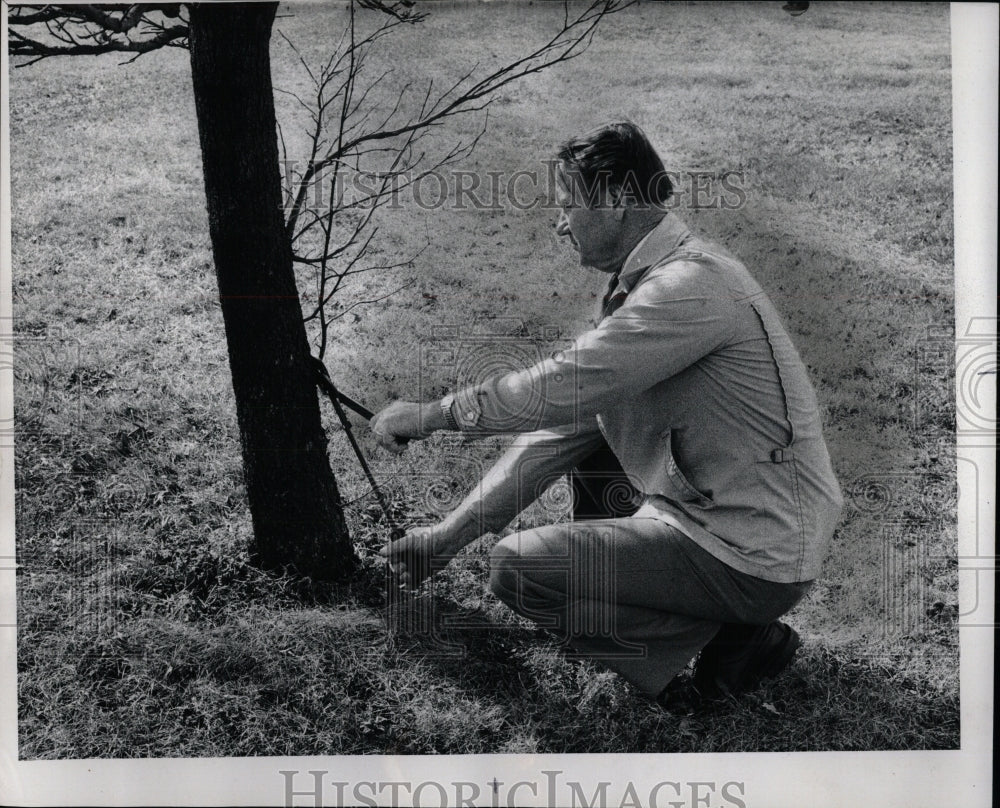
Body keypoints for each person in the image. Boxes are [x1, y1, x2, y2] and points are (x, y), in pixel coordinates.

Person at [369, 121, 843, 706]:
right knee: (589, 447)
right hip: (713, 520)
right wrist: (448, 537)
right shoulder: (646, 282)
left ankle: (727, 638)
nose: (558, 223)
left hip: (754, 551)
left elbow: (559, 387)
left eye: (568, 205)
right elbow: (562, 429)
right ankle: (734, 630)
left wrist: (432, 414)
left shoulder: (689, 288)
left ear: (617, 199)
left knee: (517, 570)